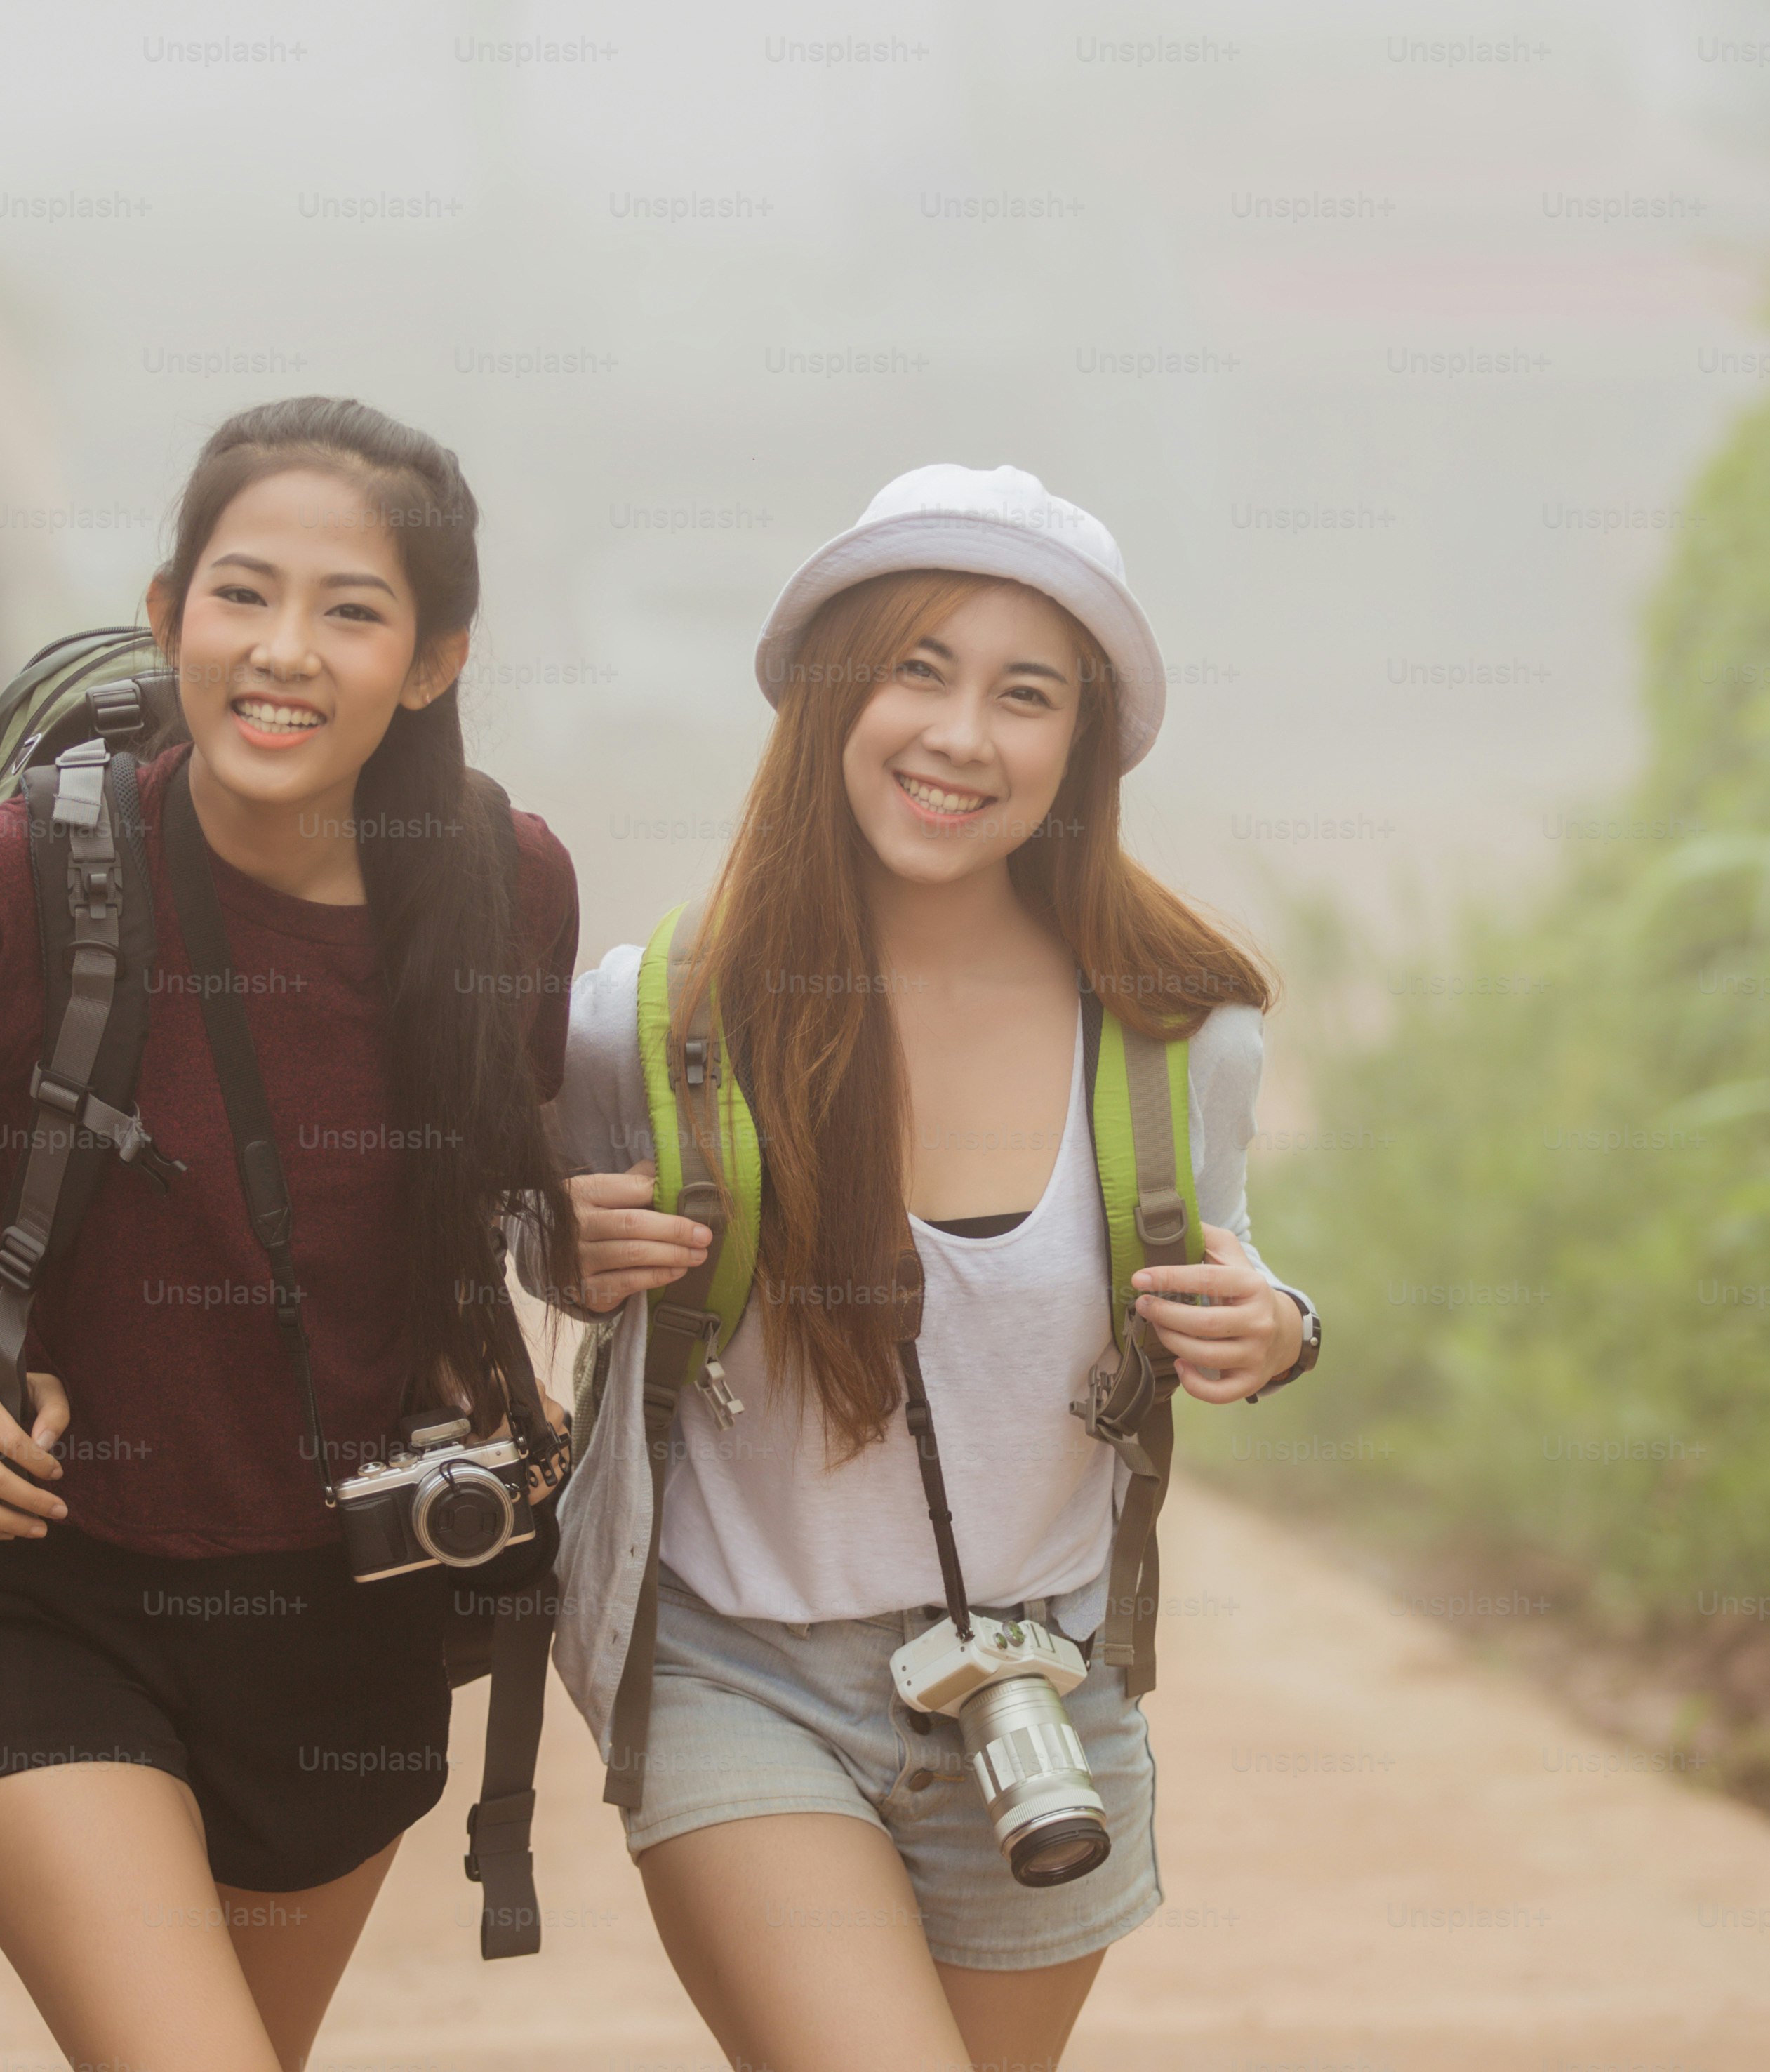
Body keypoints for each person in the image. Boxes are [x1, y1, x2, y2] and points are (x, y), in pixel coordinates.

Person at [0, 397, 580, 2072]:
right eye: (242, 594)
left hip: (345, 1615)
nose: (284, 653)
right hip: (45, 1589)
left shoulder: (502, 885)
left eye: (353, 609)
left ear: (438, 658)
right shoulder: (16, 877)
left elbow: (458, 1201)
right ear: (169, 611)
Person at [540, 465, 1322, 2072]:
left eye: (1024, 696)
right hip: (738, 1670)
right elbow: (527, 1235)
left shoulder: (1184, 1044)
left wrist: (1284, 1327)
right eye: (918, 670)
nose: (963, 737)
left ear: (1080, 751)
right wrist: (562, 1244)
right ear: (835, 698)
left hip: (1049, 1700)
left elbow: (1235, 1266)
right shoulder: (647, 1025)